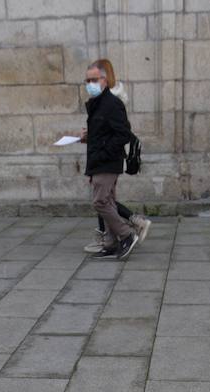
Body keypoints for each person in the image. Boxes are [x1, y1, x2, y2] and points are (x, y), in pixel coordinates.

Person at [80, 58, 140, 260]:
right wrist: (88, 137)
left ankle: (126, 235)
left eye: (94, 80)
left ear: (105, 80)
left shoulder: (112, 104)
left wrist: (103, 151)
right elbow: (104, 132)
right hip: (98, 161)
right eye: (87, 81)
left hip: (107, 162)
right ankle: (112, 243)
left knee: (100, 202)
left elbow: (123, 134)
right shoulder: (97, 104)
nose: (90, 85)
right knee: (109, 202)